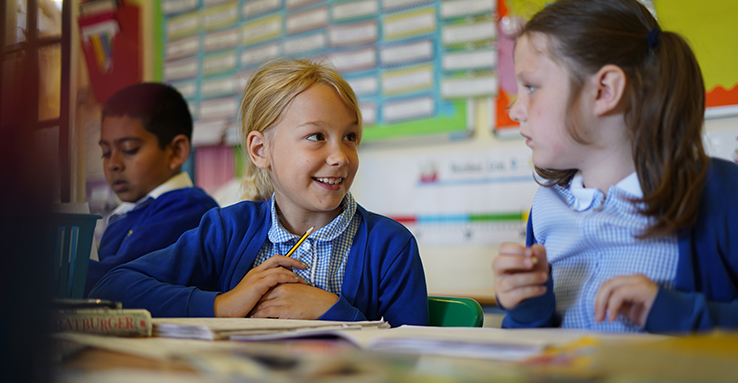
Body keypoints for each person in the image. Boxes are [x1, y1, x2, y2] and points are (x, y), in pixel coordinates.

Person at [89, 58, 429, 327]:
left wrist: (334, 312)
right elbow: (113, 288)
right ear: (260, 150)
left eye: (350, 137)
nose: (340, 156)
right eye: (316, 136)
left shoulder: (390, 246)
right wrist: (221, 305)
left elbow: (415, 359)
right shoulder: (227, 230)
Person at [492, 0, 738, 333]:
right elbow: (536, 348)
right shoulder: (547, 204)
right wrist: (528, 309)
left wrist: (678, 314)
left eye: (531, 87)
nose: (514, 110)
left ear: (605, 91)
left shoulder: (719, 192)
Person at [85, 83, 219, 297]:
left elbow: (115, 280)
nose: (113, 163)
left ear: (176, 152)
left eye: (129, 150)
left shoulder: (186, 209)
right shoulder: (125, 213)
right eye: (106, 152)